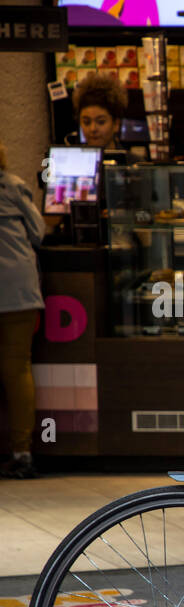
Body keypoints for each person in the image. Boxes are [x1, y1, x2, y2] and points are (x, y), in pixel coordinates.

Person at [0, 140, 46, 479]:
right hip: (17, 291)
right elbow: (39, 232)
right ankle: (22, 452)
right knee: (17, 369)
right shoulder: (13, 187)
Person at [70, 72, 129, 150]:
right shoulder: (74, 160)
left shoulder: (133, 161)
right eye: (86, 122)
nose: (93, 129)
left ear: (116, 124)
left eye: (101, 122)